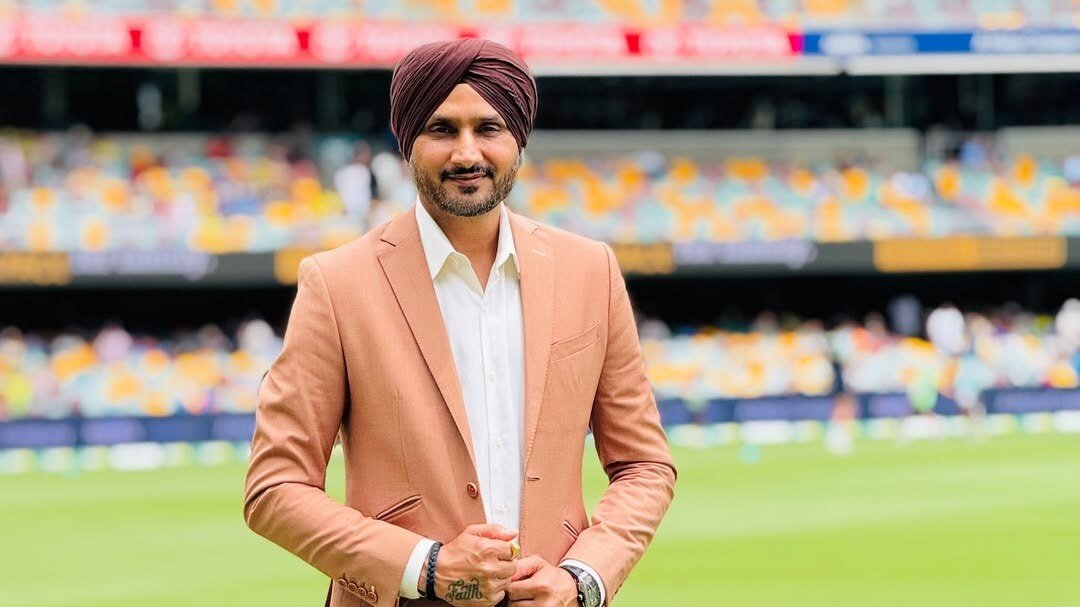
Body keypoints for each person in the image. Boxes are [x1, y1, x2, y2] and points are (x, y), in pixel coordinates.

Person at [243, 38, 677, 607]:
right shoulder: (336, 284)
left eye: (488, 128)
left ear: (518, 139)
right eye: (442, 129)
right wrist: (425, 566)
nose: (467, 154)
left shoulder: (590, 270)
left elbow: (644, 465)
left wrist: (582, 579)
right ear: (407, 142)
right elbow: (275, 487)